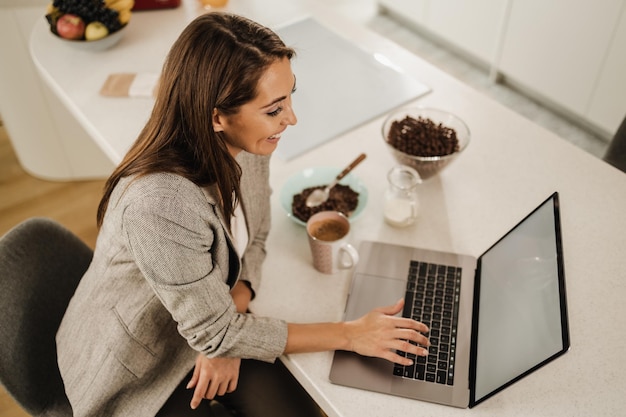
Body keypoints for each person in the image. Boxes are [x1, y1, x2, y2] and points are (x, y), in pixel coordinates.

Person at [55, 12, 429, 417]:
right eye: (274, 109)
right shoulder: (159, 206)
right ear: (217, 116)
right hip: (138, 368)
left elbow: (259, 234)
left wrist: (233, 314)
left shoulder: (245, 144)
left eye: (290, 98)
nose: (291, 119)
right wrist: (351, 335)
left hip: (205, 322)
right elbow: (215, 333)